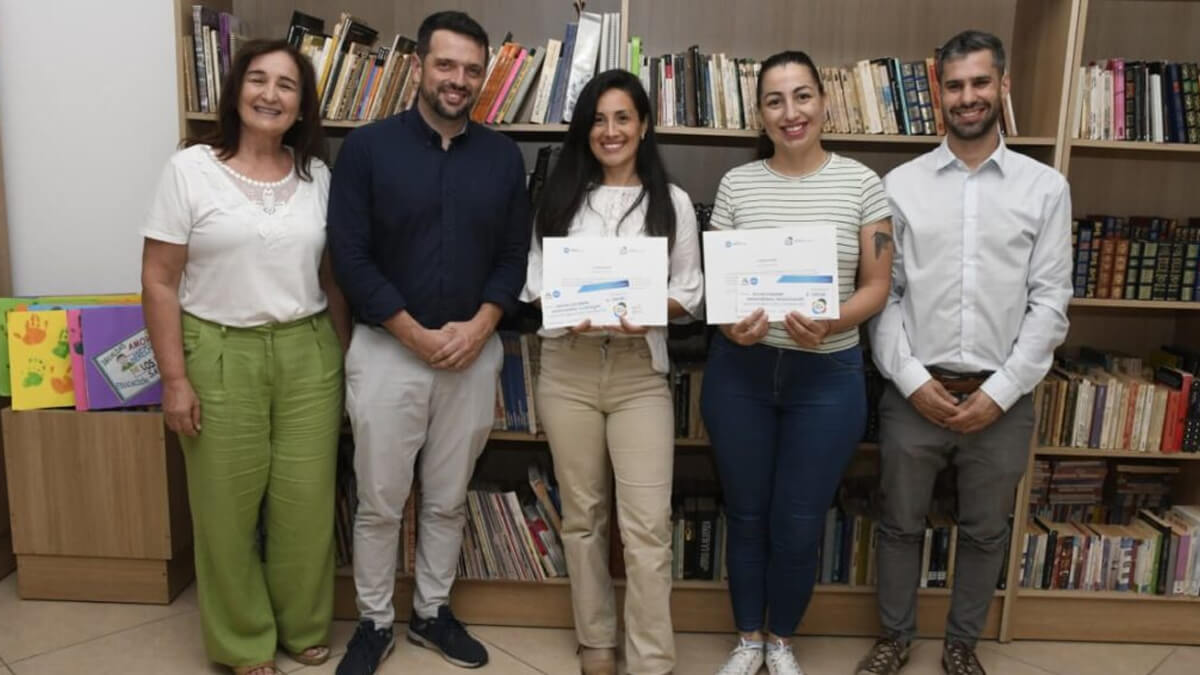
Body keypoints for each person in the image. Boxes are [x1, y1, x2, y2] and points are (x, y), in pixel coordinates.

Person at [859, 30, 1072, 675]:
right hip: (913, 391)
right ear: (938, 93)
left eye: (981, 82)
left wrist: (1000, 391)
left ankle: (961, 645)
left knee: (986, 532)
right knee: (898, 524)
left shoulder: (1045, 188)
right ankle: (895, 639)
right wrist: (911, 379)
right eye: (954, 85)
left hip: (1001, 396)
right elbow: (884, 295)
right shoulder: (899, 185)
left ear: (1003, 87)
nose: (968, 96)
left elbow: (1051, 303)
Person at [326, 11, 530, 675]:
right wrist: (413, 332)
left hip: (473, 353)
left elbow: (511, 256)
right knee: (381, 500)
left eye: (472, 70)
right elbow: (350, 258)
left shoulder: (503, 157)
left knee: (447, 497)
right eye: (446, 65)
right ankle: (375, 621)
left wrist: (479, 327)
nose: (459, 80)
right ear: (418, 65)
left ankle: (433, 611)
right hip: (387, 351)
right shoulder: (365, 150)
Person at [141, 39, 346, 675]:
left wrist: (341, 356)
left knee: (305, 503)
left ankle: (303, 625)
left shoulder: (319, 177)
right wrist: (174, 379)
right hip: (217, 350)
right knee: (225, 509)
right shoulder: (191, 168)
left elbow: (334, 279)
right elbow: (157, 279)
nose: (270, 95)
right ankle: (242, 640)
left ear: (303, 106)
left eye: (287, 85)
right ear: (235, 92)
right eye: (258, 80)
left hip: (307, 350)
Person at [700, 51, 894, 675]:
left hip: (826, 378)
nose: (791, 112)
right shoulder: (737, 185)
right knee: (747, 511)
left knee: (801, 518)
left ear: (824, 103)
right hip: (741, 374)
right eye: (776, 100)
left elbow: (877, 285)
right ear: (759, 113)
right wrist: (732, 320)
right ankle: (747, 636)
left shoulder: (864, 184)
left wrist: (835, 320)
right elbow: (719, 285)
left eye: (802, 96)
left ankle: (781, 638)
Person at [522, 69, 704, 675]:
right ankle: (595, 638)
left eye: (623, 117)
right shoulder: (557, 196)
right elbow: (534, 280)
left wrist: (650, 308)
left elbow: (690, 292)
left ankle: (652, 657)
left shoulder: (671, 202)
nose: (610, 130)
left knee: (648, 525)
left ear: (644, 125)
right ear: (585, 129)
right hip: (567, 370)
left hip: (637, 374)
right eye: (598, 119)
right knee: (583, 517)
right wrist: (566, 309)